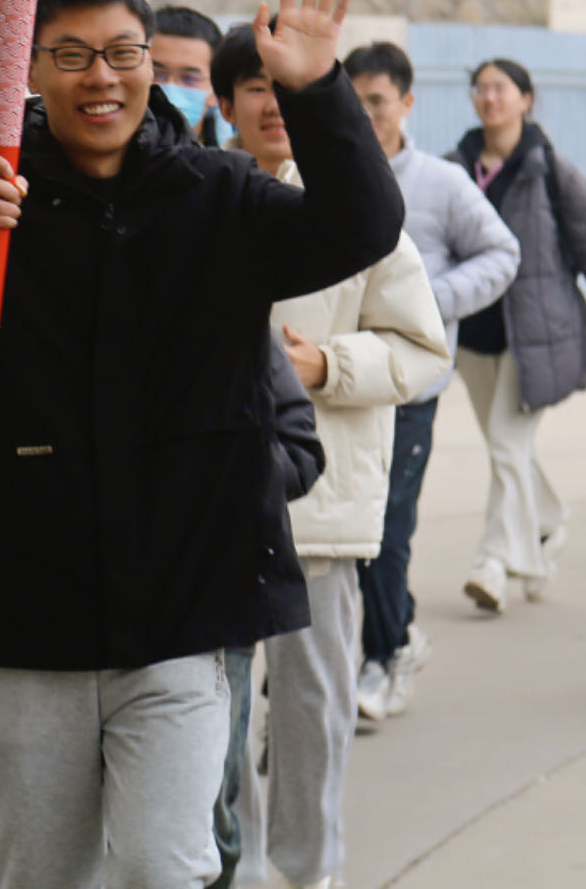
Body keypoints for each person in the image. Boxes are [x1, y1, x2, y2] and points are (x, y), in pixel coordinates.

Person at [0, 0, 403, 889]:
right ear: (30, 69)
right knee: (42, 876)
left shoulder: (217, 196)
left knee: (161, 869)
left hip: (180, 617)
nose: (102, 76)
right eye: (73, 55)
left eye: (123, 52)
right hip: (28, 618)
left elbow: (361, 227)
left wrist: (317, 91)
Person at [215, 24, 449, 889]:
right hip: (207, 512)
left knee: (313, 709)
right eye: (254, 89)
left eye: (287, 89)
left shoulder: (360, 209)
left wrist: (327, 364)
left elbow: (424, 352)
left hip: (318, 514)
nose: (272, 106)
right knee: (216, 714)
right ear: (226, 101)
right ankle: (227, 868)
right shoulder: (201, 196)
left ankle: (309, 872)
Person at [342, 42, 520, 721]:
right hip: (334, 384)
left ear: (407, 104)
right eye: (351, 104)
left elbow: (504, 252)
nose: (364, 116)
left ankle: (383, 660)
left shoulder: (441, 184)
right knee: (345, 532)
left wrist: (430, 302)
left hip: (408, 388)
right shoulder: (322, 176)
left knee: (386, 529)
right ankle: (397, 629)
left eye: (377, 102)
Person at [450, 58, 586, 613]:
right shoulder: (454, 168)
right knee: (506, 448)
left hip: (536, 330)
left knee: (505, 442)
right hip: (473, 330)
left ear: (526, 99)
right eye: (481, 89)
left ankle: (492, 562)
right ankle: (548, 522)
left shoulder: (549, 168)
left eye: (501, 88)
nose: (490, 98)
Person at [211, 341, 327, 889]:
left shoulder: (235, 324)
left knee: (213, 784)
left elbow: (302, 452)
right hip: (98, 605)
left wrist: (211, 472)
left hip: (215, 596)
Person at [152, 5, 227, 144]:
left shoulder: (230, 163)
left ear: (215, 91)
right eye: (156, 74)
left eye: (189, 78)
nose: (169, 89)